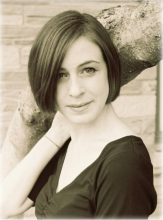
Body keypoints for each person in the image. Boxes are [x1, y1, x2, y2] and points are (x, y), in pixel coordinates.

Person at [1, 10, 157, 219]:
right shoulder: (69, 139)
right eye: (60, 75)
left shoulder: (124, 165)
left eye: (88, 70)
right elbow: (6, 205)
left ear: (110, 70)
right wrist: (54, 135)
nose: (75, 91)